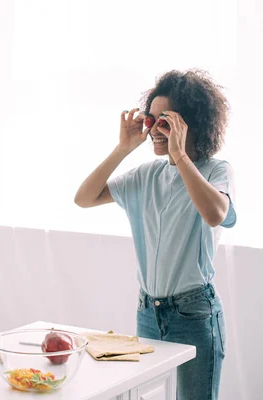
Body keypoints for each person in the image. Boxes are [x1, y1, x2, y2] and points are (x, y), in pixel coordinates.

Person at [74, 69, 235, 400]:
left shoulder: (216, 170)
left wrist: (179, 154)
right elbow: (84, 198)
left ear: (191, 123)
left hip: (195, 314)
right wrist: (123, 148)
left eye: (165, 122)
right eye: (150, 121)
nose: (154, 131)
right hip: (148, 312)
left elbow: (215, 213)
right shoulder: (146, 175)